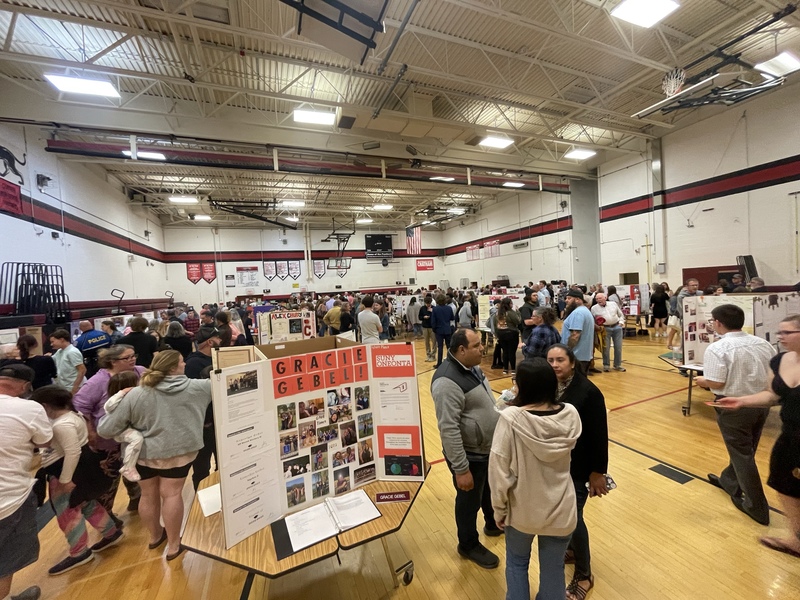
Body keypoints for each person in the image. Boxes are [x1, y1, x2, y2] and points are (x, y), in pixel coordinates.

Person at [98, 350, 212, 561]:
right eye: (181, 362)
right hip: (180, 452)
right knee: (172, 494)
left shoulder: (136, 393)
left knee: (148, 495)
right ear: (172, 368)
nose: (185, 364)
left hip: (143, 454)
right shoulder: (200, 388)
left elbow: (105, 429)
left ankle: (154, 537)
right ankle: (174, 545)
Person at [489, 359, 582, 600]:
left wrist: (498, 510)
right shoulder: (571, 413)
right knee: (554, 568)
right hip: (562, 508)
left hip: (523, 510)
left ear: (523, 385)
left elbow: (500, 472)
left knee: (517, 565)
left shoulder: (511, 418)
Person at [715, 313, 800, 557]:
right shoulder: (780, 360)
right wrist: (741, 401)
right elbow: (772, 396)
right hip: (790, 436)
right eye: (780, 332)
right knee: (784, 484)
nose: (781, 337)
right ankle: (797, 538)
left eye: (787, 333)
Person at [696, 304, 776, 526]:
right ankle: (730, 481)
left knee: (742, 454)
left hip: (732, 405)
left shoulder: (718, 348)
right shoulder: (763, 343)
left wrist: (702, 381)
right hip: (761, 403)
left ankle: (756, 506)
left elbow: (717, 382)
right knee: (745, 448)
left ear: (718, 323)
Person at [32, 385, 124, 575]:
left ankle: (79, 552)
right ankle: (111, 531)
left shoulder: (62, 424)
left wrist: (65, 480)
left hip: (67, 471)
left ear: (45, 405)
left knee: (68, 513)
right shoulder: (74, 415)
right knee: (87, 503)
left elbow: (72, 451)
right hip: (81, 468)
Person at [431, 329, 502, 569]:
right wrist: (461, 469)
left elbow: (483, 403)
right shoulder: (446, 382)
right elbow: (448, 428)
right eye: (477, 345)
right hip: (469, 456)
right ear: (461, 350)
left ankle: (492, 524)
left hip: (485, 450)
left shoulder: (472, 368)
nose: (483, 348)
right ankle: (468, 544)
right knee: (469, 500)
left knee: (488, 491)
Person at [546, 345, 609, 600]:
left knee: (573, 518)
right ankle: (572, 550)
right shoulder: (551, 386)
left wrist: (598, 472)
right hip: (560, 465)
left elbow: (599, 435)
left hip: (581, 468)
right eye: (550, 360)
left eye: (560, 360)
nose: (554, 364)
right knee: (566, 515)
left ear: (572, 362)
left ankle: (584, 575)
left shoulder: (588, 392)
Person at [72, 345, 145, 519]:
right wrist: (90, 431)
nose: (132, 359)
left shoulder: (140, 371)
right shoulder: (97, 382)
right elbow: (80, 406)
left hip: (135, 435)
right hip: (108, 441)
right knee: (109, 479)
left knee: (132, 469)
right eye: (127, 358)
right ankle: (108, 518)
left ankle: (136, 498)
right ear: (112, 361)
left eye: (133, 355)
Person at [0, 364, 52, 600]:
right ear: (24, 386)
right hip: (10, 497)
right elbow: (44, 440)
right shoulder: (29, 408)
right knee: (6, 558)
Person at [103, 372, 145, 482]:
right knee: (137, 438)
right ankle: (128, 467)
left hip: (127, 430)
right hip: (120, 431)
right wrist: (122, 393)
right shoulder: (117, 399)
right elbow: (108, 406)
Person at [560, 290, 595, 375]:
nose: (566, 300)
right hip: (583, 356)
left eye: (569, 298)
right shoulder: (585, 311)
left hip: (576, 356)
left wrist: (566, 351)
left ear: (577, 300)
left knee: (574, 384)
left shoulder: (578, 313)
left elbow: (575, 335)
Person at [590, 293, 626, 372]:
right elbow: (593, 320)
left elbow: (621, 315)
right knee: (606, 348)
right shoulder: (594, 308)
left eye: (600, 298)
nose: (599, 300)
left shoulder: (613, 304)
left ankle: (618, 365)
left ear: (605, 298)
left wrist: (621, 322)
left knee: (618, 347)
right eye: (597, 299)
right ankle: (606, 365)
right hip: (605, 329)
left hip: (617, 327)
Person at [49, 329, 86, 395]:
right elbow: (51, 360)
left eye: (53, 341)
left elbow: (82, 370)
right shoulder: (60, 351)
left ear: (61, 339)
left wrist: (75, 387)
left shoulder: (72, 352)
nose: (51, 344)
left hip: (74, 387)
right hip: (65, 387)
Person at [492, 297, 521, 375]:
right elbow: (517, 321)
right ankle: (513, 370)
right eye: (511, 303)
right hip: (511, 334)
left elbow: (495, 324)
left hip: (501, 334)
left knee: (505, 351)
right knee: (512, 352)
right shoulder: (510, 312)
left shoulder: (497, 313)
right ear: (509, 304)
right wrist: (518, 312)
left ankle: (505, 369)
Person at [431, 294, 456, 367]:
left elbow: (433, 321)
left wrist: (434, 329)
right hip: (447, 329)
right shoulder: (449, 308)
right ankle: (451, 362)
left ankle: (439, 363)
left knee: (440, 347)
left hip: (439, 330)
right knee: (449, 346)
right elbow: (452, 318)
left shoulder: (435, 309)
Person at [419, 296, 435, 362]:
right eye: (427, 303)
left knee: (434, 342)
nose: (428, 304)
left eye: (429, 303)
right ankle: (428, 355)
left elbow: (436, 317)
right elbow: (419, 317)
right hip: (425, 327)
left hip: (432, 327)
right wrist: (423, 317)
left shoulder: (434, 308)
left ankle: (433, 356)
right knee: (426, 342)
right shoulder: (422, 308)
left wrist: (432, 312)